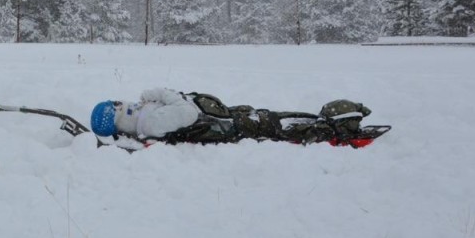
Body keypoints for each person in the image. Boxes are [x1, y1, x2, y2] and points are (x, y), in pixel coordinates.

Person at [90, 89, 372, 145]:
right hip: (233, 126)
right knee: (280, 126)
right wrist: (164, 93)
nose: (122, 101)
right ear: (116, 115)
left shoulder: (144, 117)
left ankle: (332, 126)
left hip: (226, 118)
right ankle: (338, 131)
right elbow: (186, 111)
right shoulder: (150, 123)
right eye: (115, 105)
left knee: (277, 120)